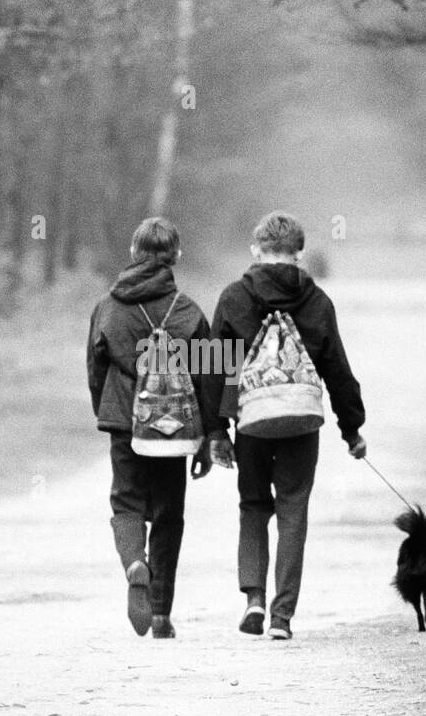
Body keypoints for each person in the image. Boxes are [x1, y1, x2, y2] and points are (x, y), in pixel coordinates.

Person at [202, 212, 366, 640]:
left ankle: (253, 598)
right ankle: (281, 617)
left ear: (256, 249)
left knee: (253, 506)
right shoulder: (317, 302)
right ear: (299, 252)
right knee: (293, 510)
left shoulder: (234, 298)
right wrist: (352, 429)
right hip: (300, 423)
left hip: (253, 422)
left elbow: (217, 370)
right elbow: (338, 370)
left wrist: (217, 430)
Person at [86, 217, 217, 639]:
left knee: (126, 502)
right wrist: (206, 437)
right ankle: (160, 613)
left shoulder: (107, 307)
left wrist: (106, 413)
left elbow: (96, 368)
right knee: (168, 514)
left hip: (125, 420)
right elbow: (209, 376)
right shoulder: (188, 311)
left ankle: (134, 563)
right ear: (176, 256)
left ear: (132, 252)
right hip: (173, 429)